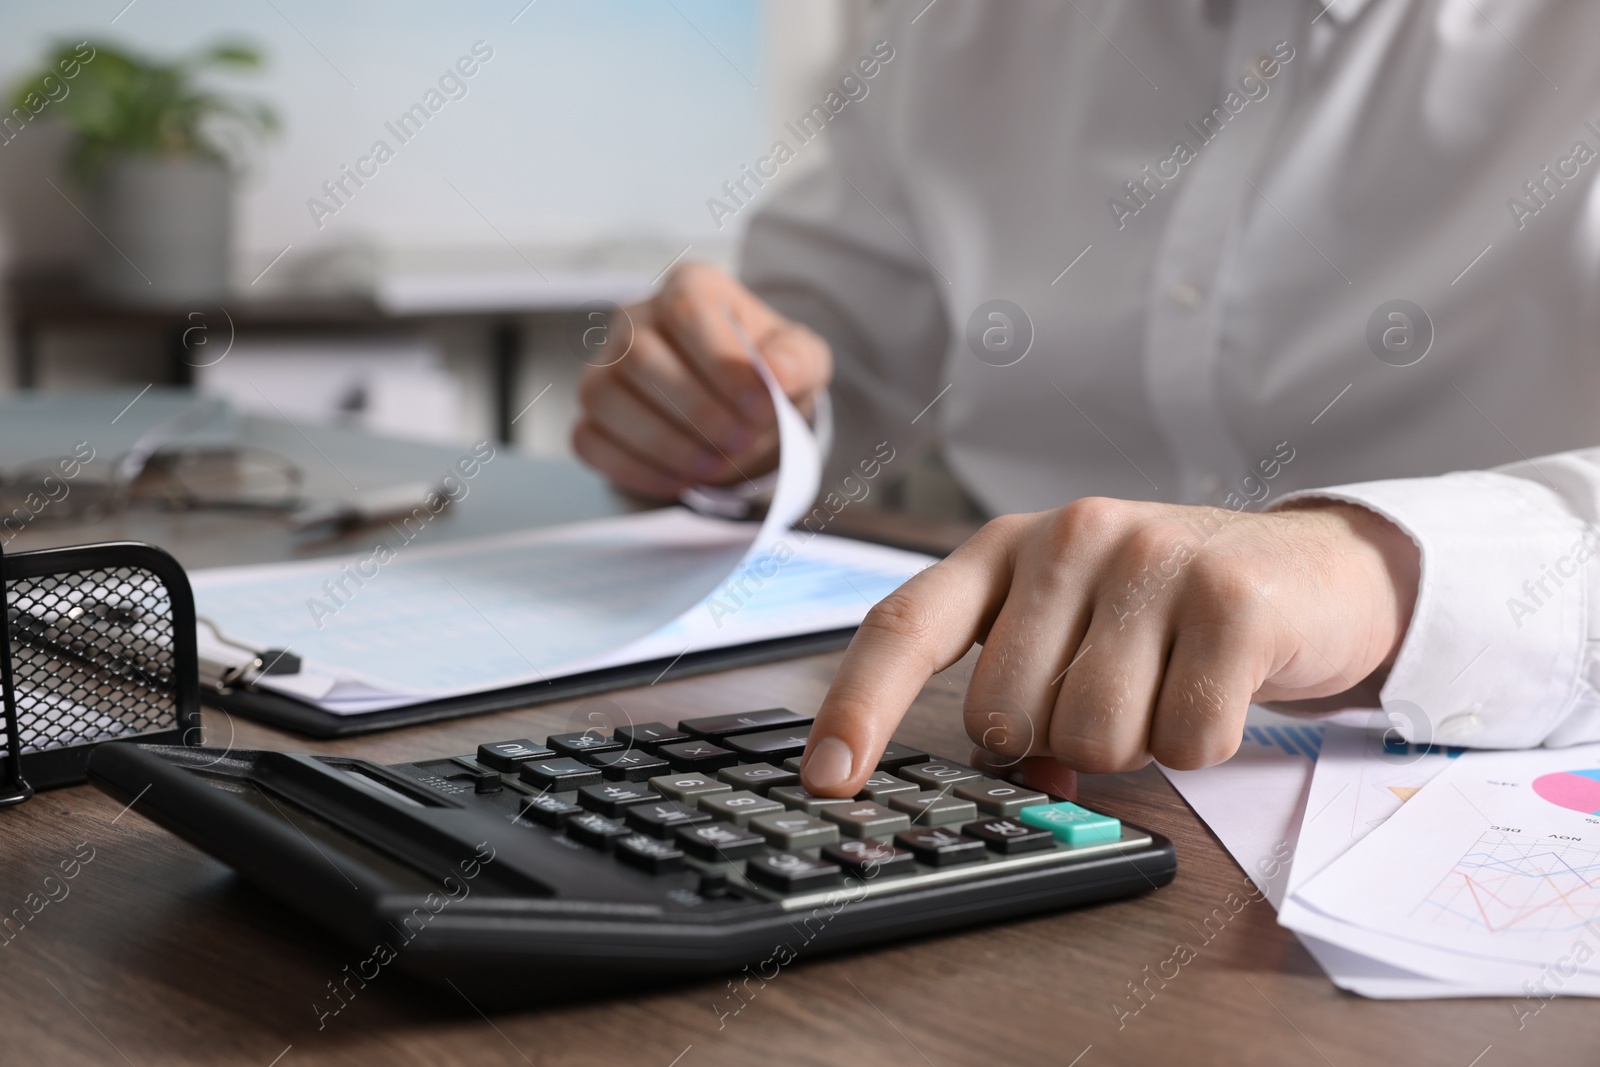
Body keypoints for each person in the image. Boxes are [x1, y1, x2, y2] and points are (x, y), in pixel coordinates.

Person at [573, 1, 1600, 798]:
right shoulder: (962, 29)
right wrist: (735, 411)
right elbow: (837, 349)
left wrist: (1382, 574)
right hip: (1003, 738)